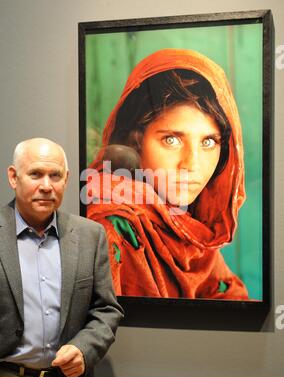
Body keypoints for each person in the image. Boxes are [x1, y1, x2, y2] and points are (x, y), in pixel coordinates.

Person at [86, 48, 249, 300]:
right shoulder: (111, 227)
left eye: (208, 142)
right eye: (171, 139)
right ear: (136, 141)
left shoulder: (187, 225)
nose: (191, 164)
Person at [0, 138, 124, 377]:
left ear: (66, 179)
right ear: (13, 177)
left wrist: (84, 349)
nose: (47, 186)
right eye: (35, 174)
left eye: (55, 176)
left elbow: (106, 310)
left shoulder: (90, 235)